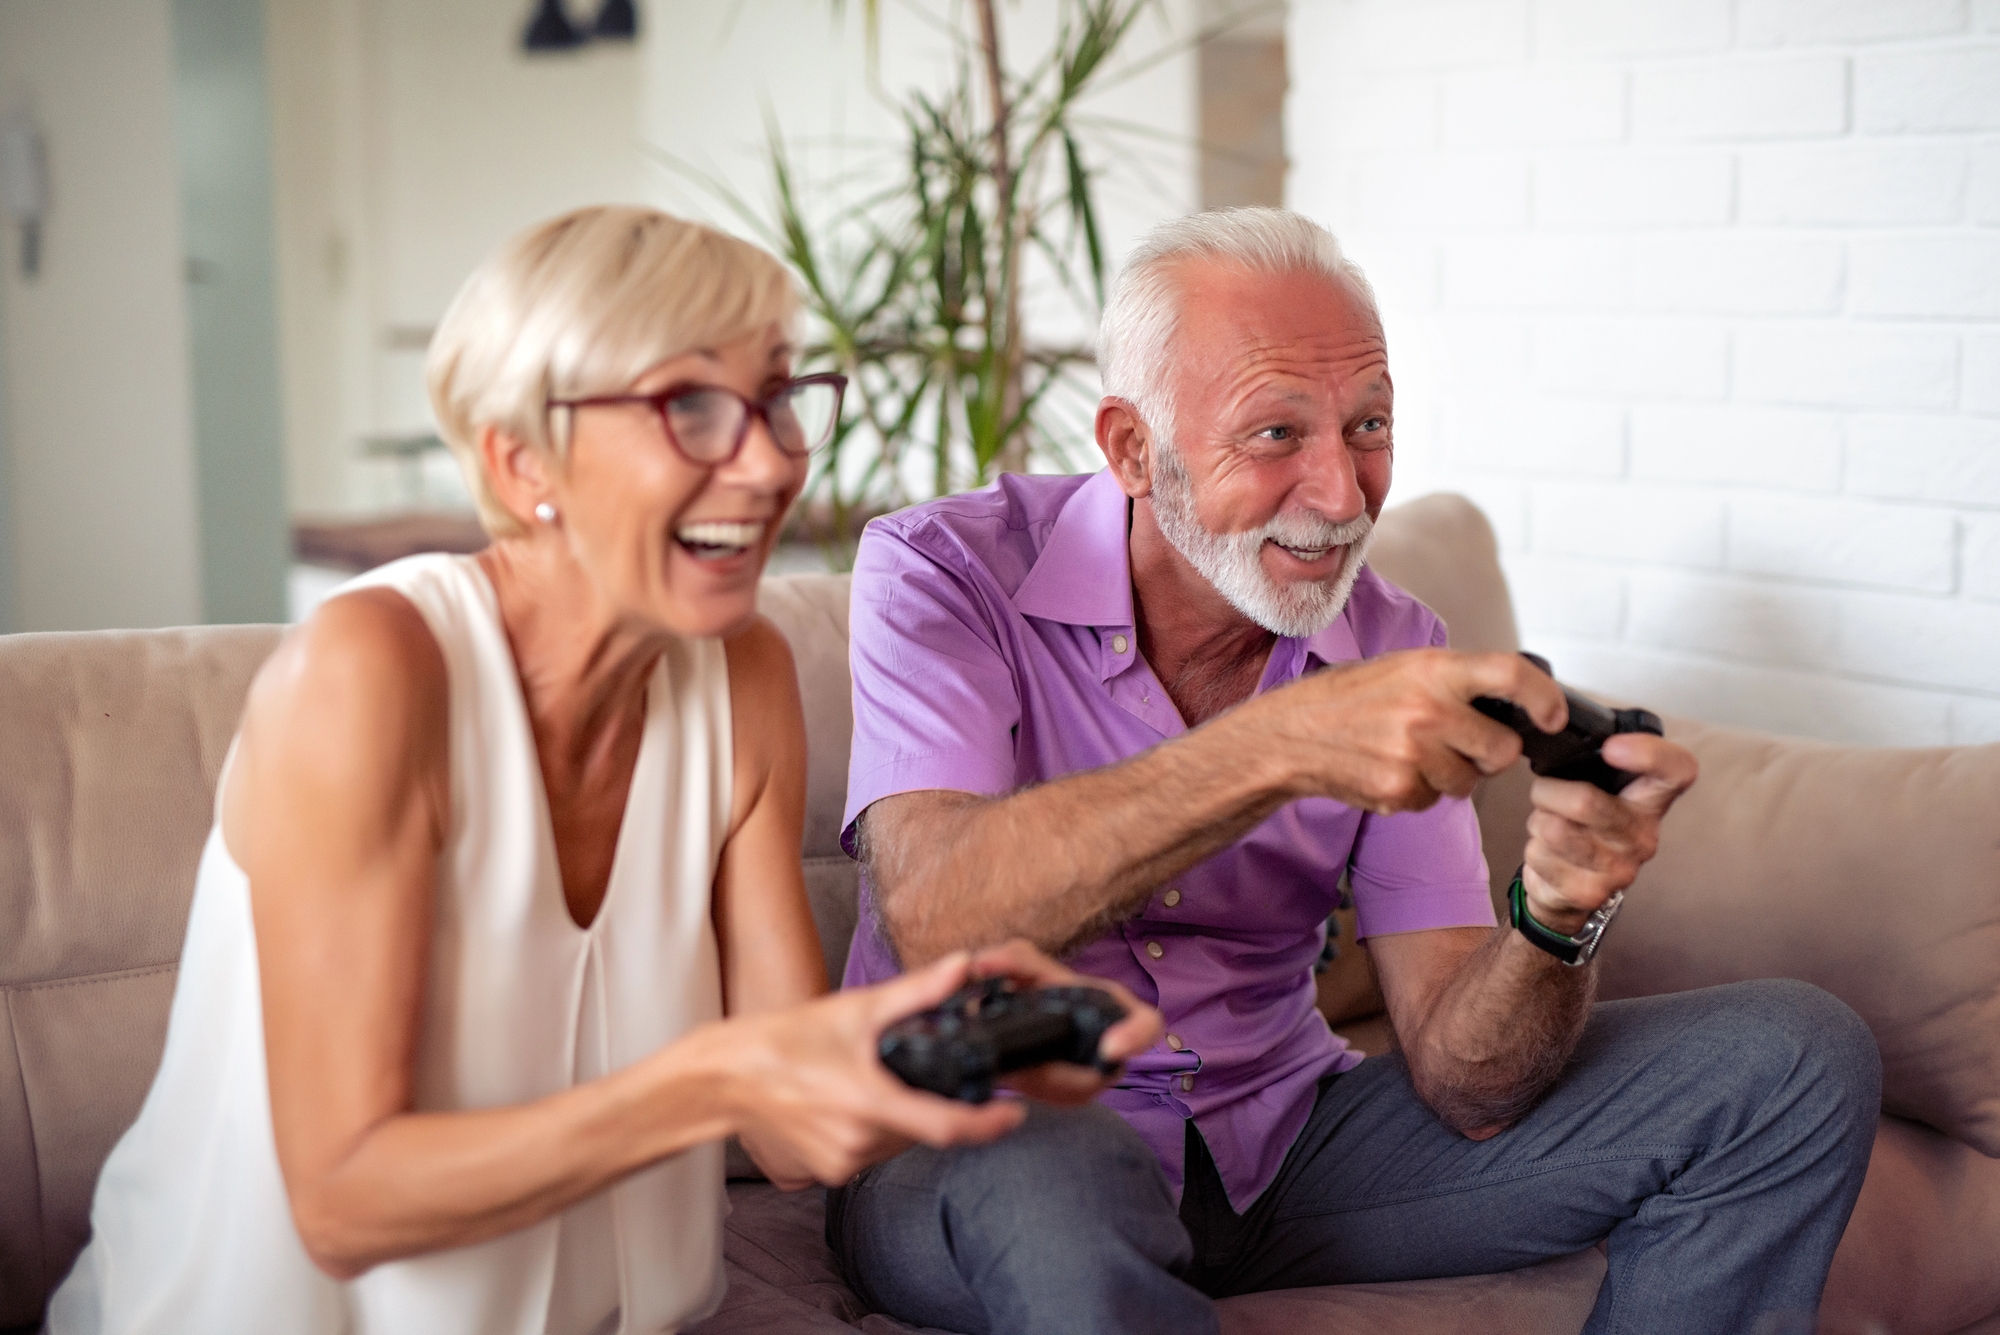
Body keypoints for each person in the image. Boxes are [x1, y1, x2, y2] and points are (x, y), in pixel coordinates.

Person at [46, 206, 1158, 1335]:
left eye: (780, 399)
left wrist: (950, 1047)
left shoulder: (743, 677)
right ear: (521, 456)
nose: (771, 458)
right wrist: (714, 1082)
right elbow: (342, 1200)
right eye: (690, 406)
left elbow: (779, 1138)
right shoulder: (374, 670)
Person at [827, 208, 1882, 1335]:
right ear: (1133, 449)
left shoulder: (1390, 640)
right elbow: (940, 914)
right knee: (1059, 1169)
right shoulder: (940, 572)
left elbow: (1471, 1084)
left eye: (1367, 424)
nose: (1341, 497)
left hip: (1276, 1148)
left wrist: (1556, 917)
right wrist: (1287, 743)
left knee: (1791, 1056)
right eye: (1275, 434)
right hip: (978, 1141)